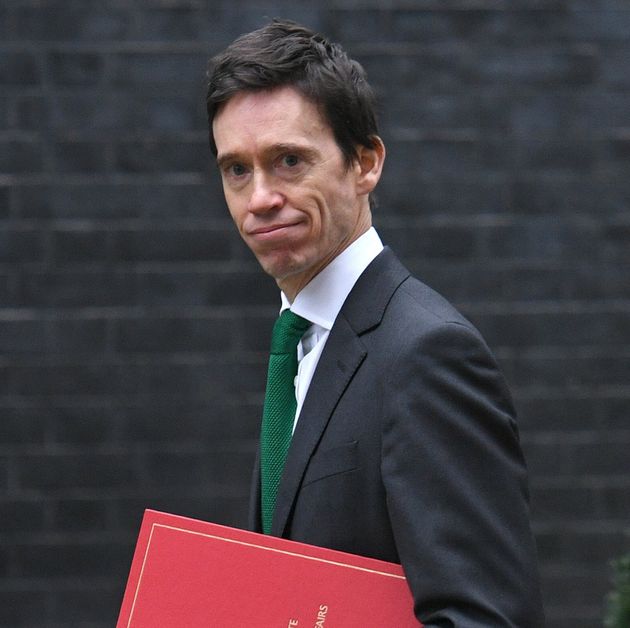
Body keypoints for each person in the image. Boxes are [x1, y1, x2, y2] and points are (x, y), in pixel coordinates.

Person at [206, 19, 544, 626]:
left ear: (366, 163)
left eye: (288, 161)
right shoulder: (302, 342)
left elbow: (488, 617)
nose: (259, 198)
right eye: (237, 169)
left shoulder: (428, 353)